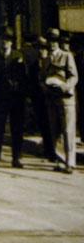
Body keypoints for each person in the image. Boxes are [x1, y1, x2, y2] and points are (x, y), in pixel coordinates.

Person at [0, 27, 27, 168]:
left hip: (15, 98)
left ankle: (16, 157)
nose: (5, 43)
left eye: (7, 40)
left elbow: (24, 77)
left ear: (12, 42)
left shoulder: (18, 56)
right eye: (2, 40)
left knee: (17, 128)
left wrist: (20, 89)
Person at [42, 28, 78, 174]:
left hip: (66, 98)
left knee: (68, 130)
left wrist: (64, 86)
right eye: (50, 41)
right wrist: (45, 86)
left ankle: (70, 161)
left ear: (58, 42)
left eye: (54, 41)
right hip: (51, 98)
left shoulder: (67, 56)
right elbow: (41, 78)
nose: (52, 44)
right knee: (55, 130)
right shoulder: (46, 60)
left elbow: (74, 76)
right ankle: (60, 160)